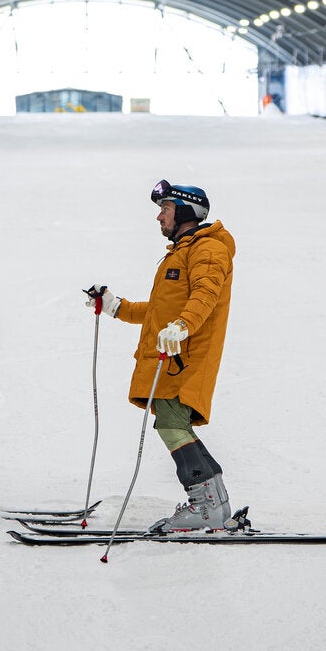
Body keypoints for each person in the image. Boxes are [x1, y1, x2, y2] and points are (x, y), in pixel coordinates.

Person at [87, 180, 236, 531]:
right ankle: (214, 502)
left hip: (185, 358)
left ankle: (206, 505)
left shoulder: (207, 250)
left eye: (165, 209)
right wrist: (116, 307)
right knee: (173, 425)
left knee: (171, 424)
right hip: (174, 357)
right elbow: (159, 310)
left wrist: (183, 326)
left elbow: (205, 296)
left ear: (185, 211)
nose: (159, 217)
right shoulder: (184, 251)